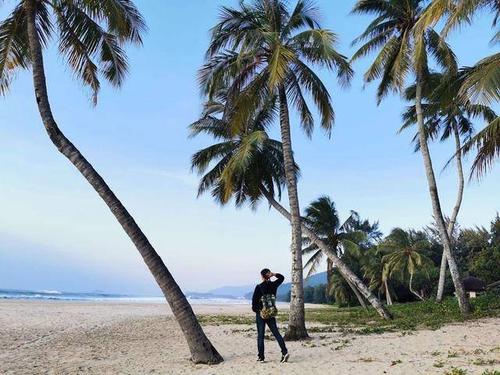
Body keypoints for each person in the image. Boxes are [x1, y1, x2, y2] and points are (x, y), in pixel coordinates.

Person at [251, 268, 289, 363]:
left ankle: (261, 357)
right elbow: (282, 278)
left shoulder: (259, 287)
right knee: (276, 333)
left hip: (261, 314)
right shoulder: (273, 285)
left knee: (260, 336)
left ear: (262, 276)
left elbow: (254, 303)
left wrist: (258, 311)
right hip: (271, 313)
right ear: (269, 275)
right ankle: (284, 352)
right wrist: (274, 274)